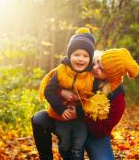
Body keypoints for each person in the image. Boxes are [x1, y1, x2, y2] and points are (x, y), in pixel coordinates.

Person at [32, 48, 139, 160]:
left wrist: (80, 113)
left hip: (93, 132)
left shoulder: (116, 97)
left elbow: (102, 130)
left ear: (110, 77)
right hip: (66, 118)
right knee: (39, 119)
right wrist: (62, 91)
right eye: (98, 62)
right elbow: (52, 84)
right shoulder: (84, 63)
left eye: (102, 70)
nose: (95, 68)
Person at [37, 27, 96, 160]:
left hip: (81, 118)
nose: (81, 59)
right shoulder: (62, 71)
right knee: (64, 144)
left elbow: (95, 100)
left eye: (85, 56)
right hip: (62, 117)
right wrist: (61, 109)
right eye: (76, 55)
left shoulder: (91, 76)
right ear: (69, 56)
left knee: (78, 145)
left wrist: (80, 110)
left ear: (90, 58)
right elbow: (49, 90)